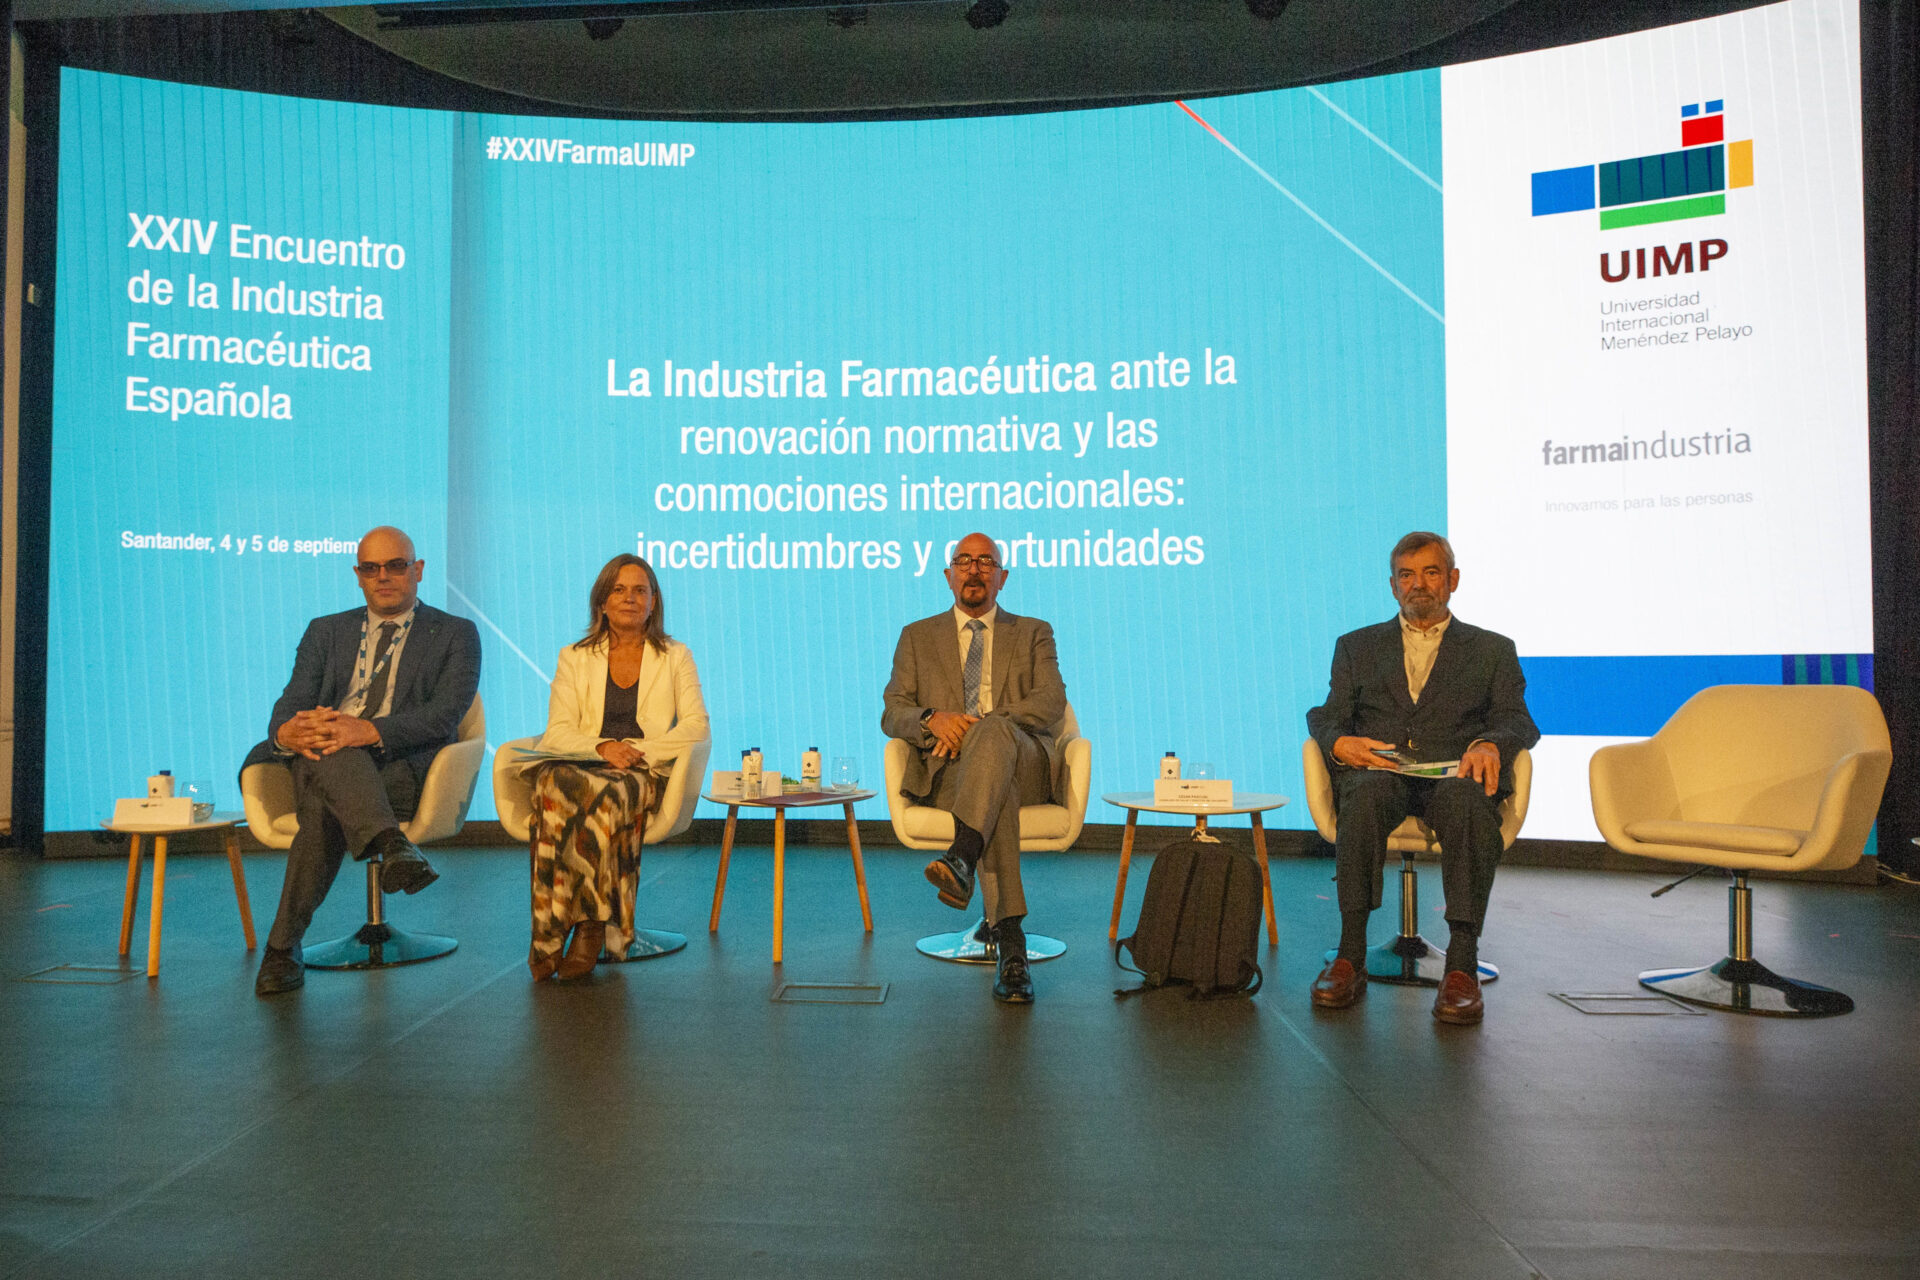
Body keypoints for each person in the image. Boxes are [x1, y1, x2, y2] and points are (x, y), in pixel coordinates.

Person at [1304, 531, 1539, 1025]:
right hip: (1383, 773)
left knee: (1466, 802)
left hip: (1453, 777)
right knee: (1365, 795)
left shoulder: (1492, 649)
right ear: (1393, 586)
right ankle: (1350, 955)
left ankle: (1462, 965)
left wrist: (1489, 743)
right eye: (1407, 575)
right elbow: (1327, 716)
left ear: (1452, 580)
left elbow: (1518, 720)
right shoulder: (1356, 646)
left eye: (1431, 573)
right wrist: (1338, 743)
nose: (1418, 585)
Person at [247, 526, 482, 996]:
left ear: (418, 570)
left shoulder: (455, 633)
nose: (383, 577)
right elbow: (292, 701)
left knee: (323, 803)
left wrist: (368, 731)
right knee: (328, 750)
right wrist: (287, 731)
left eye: (395, 565)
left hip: (399, 769)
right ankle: (392, 845)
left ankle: (282, 949)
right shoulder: (325, 630)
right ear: (358, 575)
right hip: (321, 756)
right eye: (371, 568)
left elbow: (444, 716)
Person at [882, 531, 1069, 1004]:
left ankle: (962, 857)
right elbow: (893, 712)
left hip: (1024, 761)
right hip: (951, 775)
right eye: (964, 561)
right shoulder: (916, 636)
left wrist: (984, 726)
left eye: (986, 562)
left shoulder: (1034, 631)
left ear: (1003, 577)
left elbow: (1051, 701)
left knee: (994, 738)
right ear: (948, 576)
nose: (974, 570)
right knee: (996, 795)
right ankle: (1012, 945)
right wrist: (932, 718)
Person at [518, 554, 709, 981]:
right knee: (552, 783)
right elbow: (557, 731)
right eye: (618, 590)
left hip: (640, 771)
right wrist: (602, 747)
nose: (629, 598)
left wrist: (636, 751)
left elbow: (697, 725)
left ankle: (588, 926)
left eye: (640, 590)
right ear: (602, 602)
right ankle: (550, 929)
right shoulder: (574, 657)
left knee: (605, 792)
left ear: (654, 602)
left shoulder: (675, 656)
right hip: (585, 761)